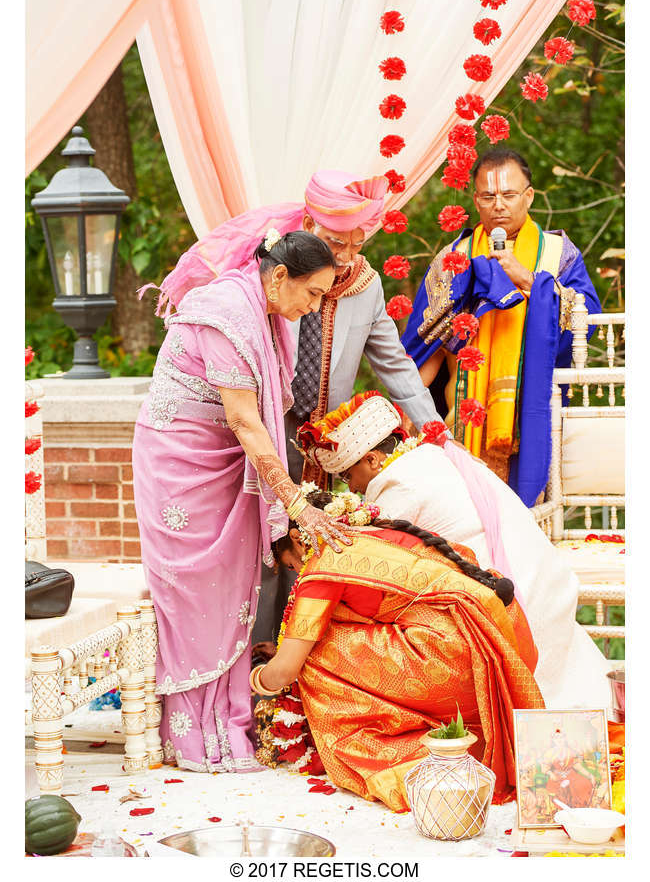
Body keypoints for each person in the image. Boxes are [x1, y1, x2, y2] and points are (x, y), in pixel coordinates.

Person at [144, 170, 449, 648]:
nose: (346, 257)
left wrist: (435, 431)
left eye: (356, 244)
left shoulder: (365, 286)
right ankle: (251, 663)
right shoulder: (261, 275)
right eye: (335, 243)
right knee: (261, 550)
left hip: (322, 441)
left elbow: (395, 365)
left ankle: (297, 678)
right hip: (260, 429)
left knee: (309, 552)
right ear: (307, 225)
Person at [132, 230, 351, 773]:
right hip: (182, 464)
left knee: (230, 592)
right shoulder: (226, 314)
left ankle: (227, 725)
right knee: (194, 595)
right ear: (280, 276)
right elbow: (244, 421)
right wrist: (297, 505)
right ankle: (191, 736)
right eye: (314, 293)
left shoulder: (265, 312)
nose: (314, 306)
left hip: (223, 460)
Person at [294, 392, 611, 710]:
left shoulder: (396, 485)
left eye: (349, 476)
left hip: (515, 604)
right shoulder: (430, 457)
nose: (352, 489)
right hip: (542, 579)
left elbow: (369, 567)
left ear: (373, 459)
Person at [250, 491, 544, 811]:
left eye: (290, 564)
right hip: (503, 642)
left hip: (456, 657)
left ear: (297, 537)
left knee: (315, 654)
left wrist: (252, 676)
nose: (296, 572)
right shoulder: (377, 531)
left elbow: (286, 670)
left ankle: (385, 751)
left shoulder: (324, 560)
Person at [401, 147, 601, 506]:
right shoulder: (454, 258)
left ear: (529, 197)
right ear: (475, 200)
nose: (499, 205)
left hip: (533, 413)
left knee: (528, 524)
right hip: (463, 416)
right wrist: (405, 413)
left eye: (509, 195)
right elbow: (426, 343)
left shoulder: (558, 253)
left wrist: (527, 279)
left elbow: (587, 323)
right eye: (489, 196)